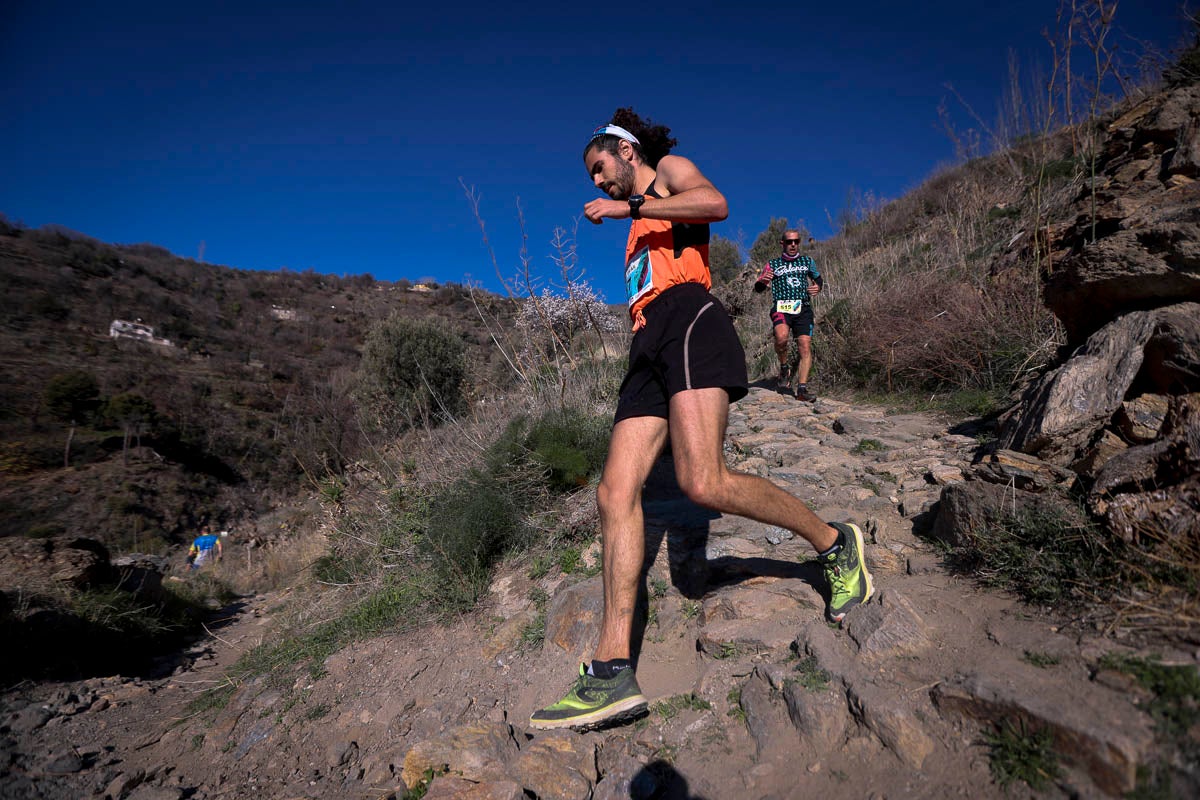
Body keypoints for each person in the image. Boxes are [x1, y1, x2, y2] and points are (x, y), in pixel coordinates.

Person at [529, 120, 874, 732]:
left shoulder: (666, 173)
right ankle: (611, 670)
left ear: (625, 150)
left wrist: (631, 205)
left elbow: (715, 204)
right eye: (593, 178)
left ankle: (834, 543)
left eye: (599, 168)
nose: (598, 182)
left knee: (703, 482)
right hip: (645, 343)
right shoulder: (636, 223)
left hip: (689, 319)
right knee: (614, 492)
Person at [754, 230, 823, 401]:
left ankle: (802, 390)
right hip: (781, 308)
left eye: (796, 241)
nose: (793, 245)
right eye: (789, 242)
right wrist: (762, 281)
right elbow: (758, 288)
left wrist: (818, 287)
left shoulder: (807, 261)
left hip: (803, 308)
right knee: (781, 337)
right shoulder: (773, 264)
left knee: (805, 345)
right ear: (782, 243)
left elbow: (818, 279)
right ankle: (784, 367)